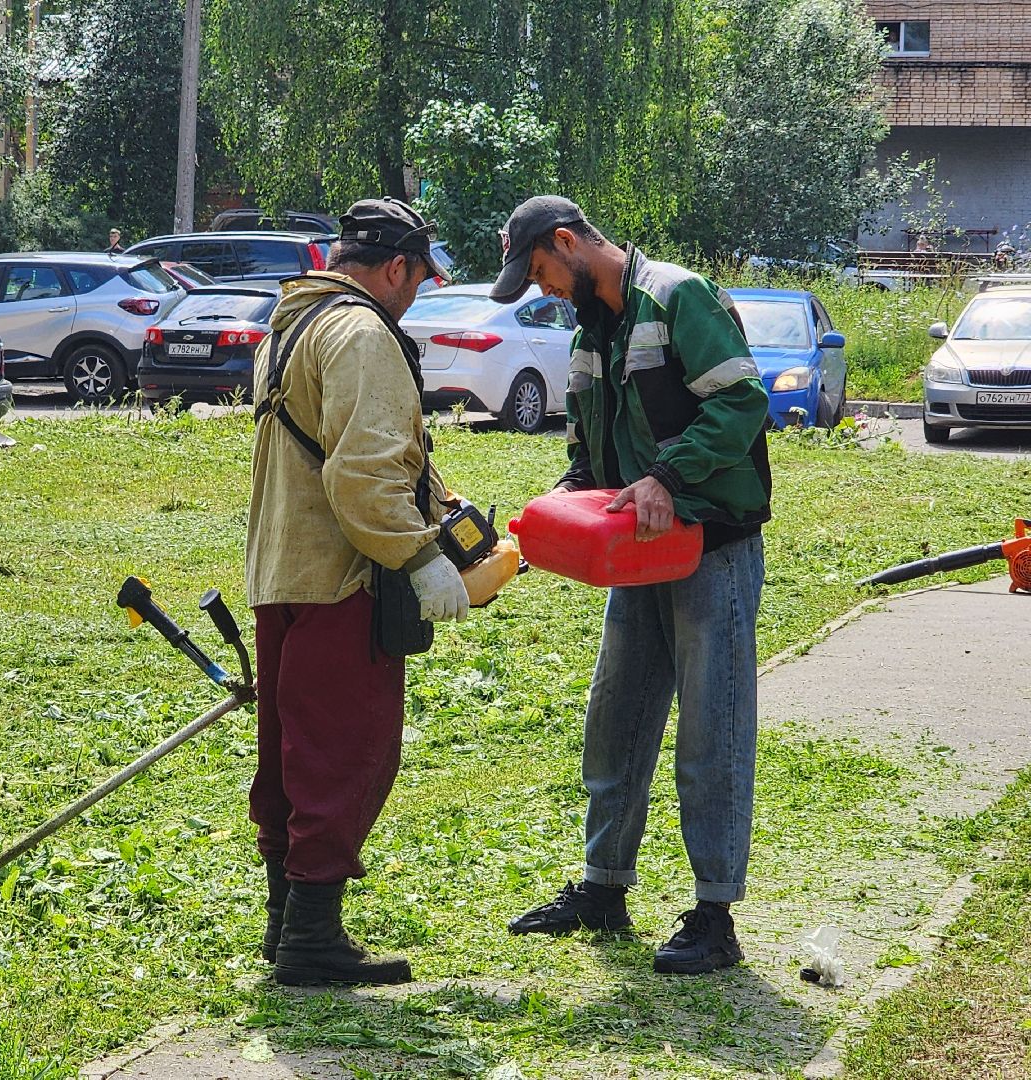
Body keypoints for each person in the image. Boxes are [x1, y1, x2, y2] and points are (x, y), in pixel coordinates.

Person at [489, 196, 771, 975]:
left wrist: (666, 477)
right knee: (616, 716)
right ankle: (603, 887)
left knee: (712, 729)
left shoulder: (680, 297)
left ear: (569, 243)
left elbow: (744, 403)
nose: (542, 289)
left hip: (710, 546)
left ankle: (715, 915)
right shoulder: (591, 333)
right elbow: (588, 453)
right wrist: (561, 509)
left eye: (540, 271)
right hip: (637, 555)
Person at [245, 197, 463, 987]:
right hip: (346, 576)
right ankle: (310, 940)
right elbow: (365, 473)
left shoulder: (292, 324)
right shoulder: (365, 332)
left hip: (281, 570)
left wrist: (440, 510)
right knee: (342, 754)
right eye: (418, 278)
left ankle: (282, 925)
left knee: (288, 757)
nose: (417, 293)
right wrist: (420, 557)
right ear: (397, 267)